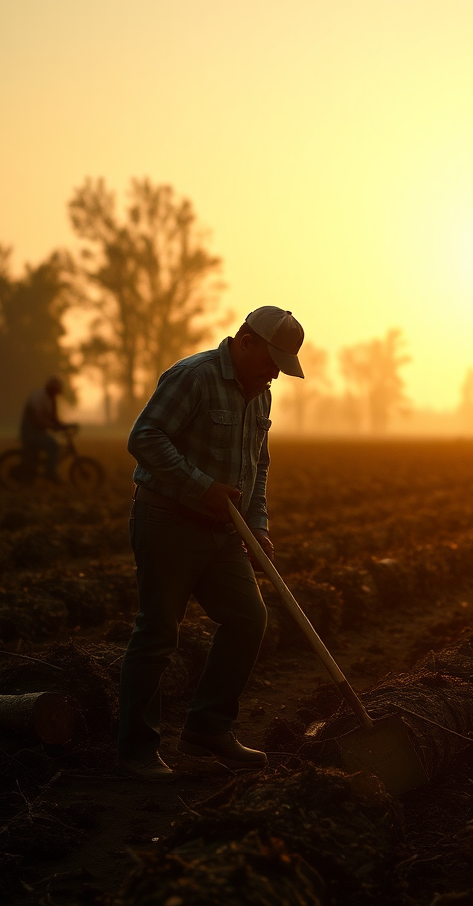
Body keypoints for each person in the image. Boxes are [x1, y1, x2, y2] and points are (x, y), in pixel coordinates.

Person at [117, 306, 305, 782]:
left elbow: (258, 466)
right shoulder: (194, 376)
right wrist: (200, 485)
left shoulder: (260, 395)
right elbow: (144, 437)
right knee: (158, 632)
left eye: (282, 369)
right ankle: (135, 749)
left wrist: (257, 523)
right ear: (245, 341)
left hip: (225, 530)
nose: (273, 376)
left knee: (248, 618)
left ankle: (207, 729)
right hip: (168, 520)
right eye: (271, 362)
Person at [20, 376, 75, 482]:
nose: (58, 392)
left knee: (51, 444)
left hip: (38, 431)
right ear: (52, 389)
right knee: (54, 446)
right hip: (30, 432)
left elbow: (53, 418)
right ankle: (49, 472)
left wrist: (63, 426)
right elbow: (37, 419)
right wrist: (52, 426)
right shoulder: (39, 397)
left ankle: (40, 470)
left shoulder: (51, 399)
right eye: (57, 390)